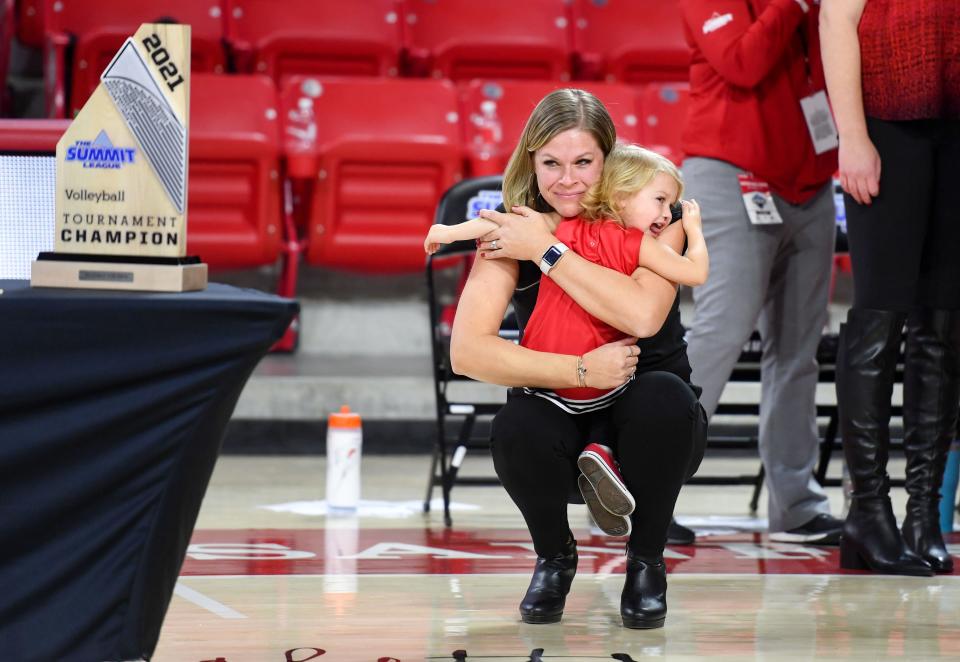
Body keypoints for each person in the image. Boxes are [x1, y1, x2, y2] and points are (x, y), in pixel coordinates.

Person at [449, 88, 707, 629]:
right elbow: (467, 351)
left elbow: (641, 318)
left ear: (609, 162)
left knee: (664, 397)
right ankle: (555, 557)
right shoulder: (512, 230)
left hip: (652, 424)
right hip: (560, 412)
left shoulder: (659, 215)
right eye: (551, 163)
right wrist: (579, 371)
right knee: (516, 425)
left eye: (584, 162)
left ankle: (646, 562)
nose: (567, 179)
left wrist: (549, 251)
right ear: (531, 164)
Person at [678, 0, 843, 545]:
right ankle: (640, 490)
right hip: (732, 174)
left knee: (799, 349)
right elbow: (742, 63)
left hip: (810, 182)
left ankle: (796, 505)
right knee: (720, 334)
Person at [820, 0, 960, 575]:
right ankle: (867, 511)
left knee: (945, 320)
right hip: (883, 121)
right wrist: (851, 136)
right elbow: (836, 20)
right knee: (879, 312)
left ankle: (924, 514)